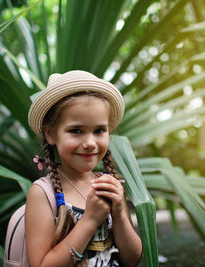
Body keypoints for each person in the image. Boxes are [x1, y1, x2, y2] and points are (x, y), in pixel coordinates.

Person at [25, 70, 142, 266]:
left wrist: (120, 211)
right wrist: (89, 220)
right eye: (76, 131)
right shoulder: (43, 193)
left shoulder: (110, 185)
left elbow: (132, 259)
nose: (90, 143)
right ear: (51, 134)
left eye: (99, 130)